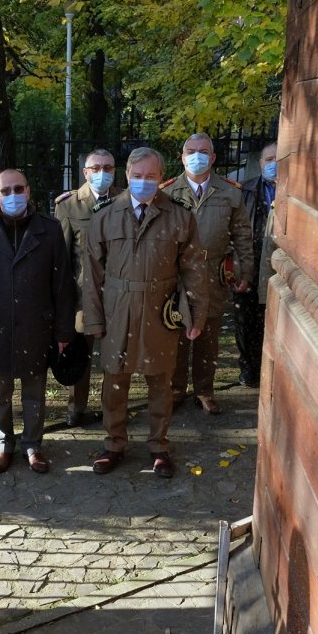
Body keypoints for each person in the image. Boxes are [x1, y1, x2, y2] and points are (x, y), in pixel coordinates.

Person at [82, 147, 210, 478]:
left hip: (160, 310)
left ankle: (159, 446)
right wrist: (94, 319)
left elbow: (194, 269)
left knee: (160, 382)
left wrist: (195, 314)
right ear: (127, 176)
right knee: (114, 381)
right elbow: (92, 274)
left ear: (161, 177)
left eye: (150, 177)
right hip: (117, 310)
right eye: (137, 176)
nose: (143, 182)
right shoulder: (105, 215)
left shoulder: (179, 216)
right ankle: (113, 444)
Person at [0, 169, 75, 474]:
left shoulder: (49, 230)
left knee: (34, 390)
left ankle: (32, 444)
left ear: (28, 191)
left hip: (36, 324)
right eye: (6, 190)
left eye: (19, 188)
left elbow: (63, 284)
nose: (13, 195)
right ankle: (4, 443)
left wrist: (64, 329)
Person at [161, 133, 254, 415]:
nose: (197, 156)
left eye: (203, 151)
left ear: (213, 158)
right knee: (175, 334)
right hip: (176, 278)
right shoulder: (166, 192)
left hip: (213, 275)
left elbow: (242, 235)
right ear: (182, 156)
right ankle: (175, 390)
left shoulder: (230, 192)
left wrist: (245, 271)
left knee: (208, 337)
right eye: (191, 150)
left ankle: (204, 390)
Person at [53, 149, 125, 427]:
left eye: (108, 167)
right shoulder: (69, 205)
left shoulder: (125, 199)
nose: (102, 173)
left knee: (114, 356)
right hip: (83, 297)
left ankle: (112, 408)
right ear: (85, 172)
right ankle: (77, 408)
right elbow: (62, 257)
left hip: (118, 295)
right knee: (79, 355)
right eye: (96, 168)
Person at [236, 141, 278, 387]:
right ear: (261, 163)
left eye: (278, 159)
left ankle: (269, 366)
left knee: (270, 317)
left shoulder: (295, 190)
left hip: (275, 264)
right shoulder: (246, 191)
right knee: (245, 318)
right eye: (269, 159)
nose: (274, 164)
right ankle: (248, 368)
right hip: (249, 261)